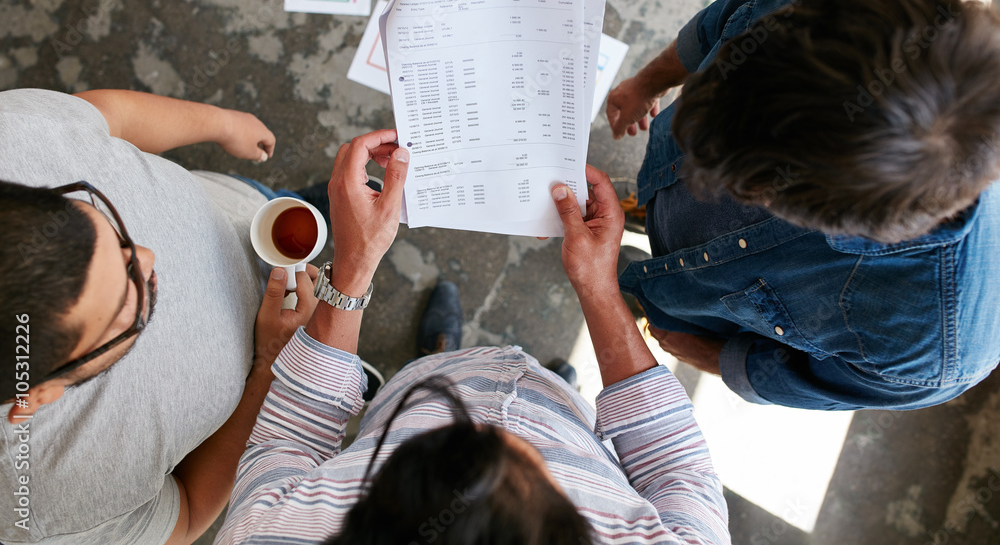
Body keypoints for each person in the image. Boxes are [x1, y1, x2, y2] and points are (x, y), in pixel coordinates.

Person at [213, 130, 731, 544]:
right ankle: (554, 387)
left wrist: (353, 263)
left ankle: (438, 353)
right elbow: (673, 467)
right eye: (533, 462)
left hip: (410, 388)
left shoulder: (263, 535)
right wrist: (598, 286)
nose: (489, 425)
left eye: (441, 439)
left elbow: (288, 440)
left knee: (444, 377)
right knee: (558, 399)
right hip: (570, 414)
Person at [608, 0, 1000, 411]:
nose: (698, 173)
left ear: (847, 224)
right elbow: (721, 23)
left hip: (698, 305)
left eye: (742, 188)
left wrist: (700, 349)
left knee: (659, 300)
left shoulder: (933, 351)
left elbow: (797, 378)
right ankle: (646, 207)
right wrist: (647, 82)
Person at [0, 87, 321, 544]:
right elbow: (187, 514)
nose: (149, 257)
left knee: (305, 209)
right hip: (283, 358)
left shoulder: (7, 138)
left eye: (105, 224)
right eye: (126, 300)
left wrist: (222, 123)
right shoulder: (42, 501)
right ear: (35, 395)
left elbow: (103, 116)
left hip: (248, 209)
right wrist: (272, 367)